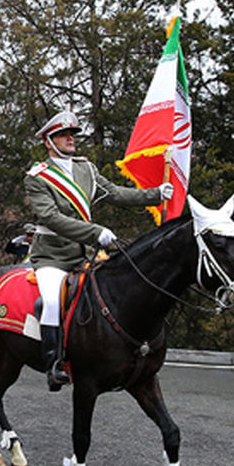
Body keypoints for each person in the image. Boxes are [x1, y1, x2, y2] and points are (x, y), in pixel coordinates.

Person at [25, 110, 172, 391]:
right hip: (53, 257)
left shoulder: (86, 169)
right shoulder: (37, 177)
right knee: (53, 301)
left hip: (85, 256)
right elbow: (52, 218)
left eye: (73, 134)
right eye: (63, 135)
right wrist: (96, 232)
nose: (71, 138)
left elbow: (115, 193)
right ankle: (53, 364)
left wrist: (155, 194)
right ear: (49, 141)